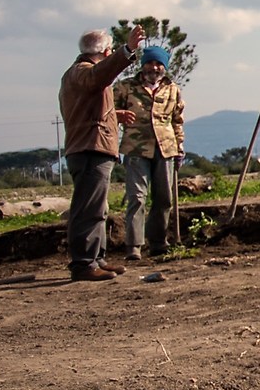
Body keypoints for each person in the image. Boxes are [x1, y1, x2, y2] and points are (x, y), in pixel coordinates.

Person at [60, 26, 143, 282]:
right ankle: (84, 263)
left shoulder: (76, 75)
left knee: (97, 207)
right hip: (90, 149)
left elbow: (83, 108)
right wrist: (127, 51)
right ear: (106, 52)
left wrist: (112, 115)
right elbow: (99, 77)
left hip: (90, 147)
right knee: (89, 208)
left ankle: (96, 258)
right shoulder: (83, 71)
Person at [115, 45, 186, 260]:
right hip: (136, 149)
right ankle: (134, 246)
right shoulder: (125, 87)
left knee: (163, 198)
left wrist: (180, 147)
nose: (153, 67)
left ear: (164, 67)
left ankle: (158, 242)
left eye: (158, 64)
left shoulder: (172, 89)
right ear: (142, 64)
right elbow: (108, 113)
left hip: (165, 148)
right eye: (150, 63)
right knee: (137, 197)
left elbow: (177, 120)